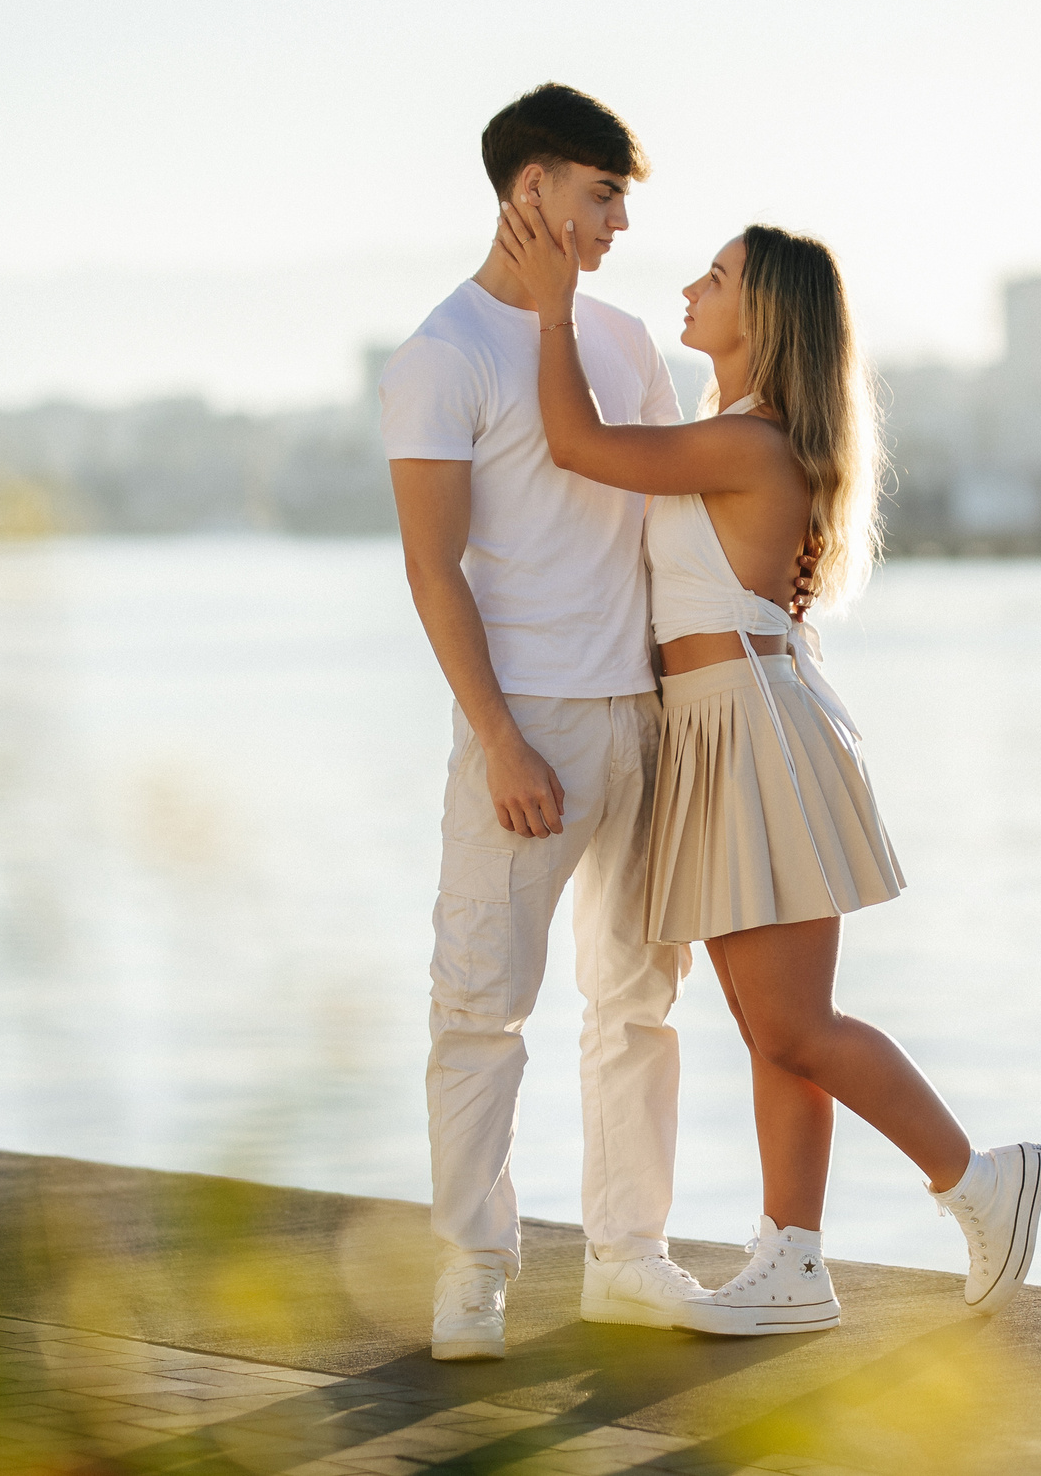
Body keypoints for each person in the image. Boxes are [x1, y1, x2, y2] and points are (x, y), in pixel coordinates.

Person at [496, 195, 1041, 1334]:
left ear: (764, 315)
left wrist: (551, 314)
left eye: (713, 277)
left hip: (750, 730)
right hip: (717, 727)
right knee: (770, 1024)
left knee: (794, 1024)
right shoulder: (740, 431)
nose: (688, 291)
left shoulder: (748, 443)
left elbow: (578, 445)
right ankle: (792, 1258)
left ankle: (980, 1181)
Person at [380, 84, 719, 1362]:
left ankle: (630, 1259)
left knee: (638, 1003)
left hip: (646, 716)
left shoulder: (629, 344)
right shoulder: (441, 355)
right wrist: (503, 738)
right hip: (525, 731)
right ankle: (473, 1268)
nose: (623, 220)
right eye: (601, 193)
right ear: (532, 190)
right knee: (481, 1007)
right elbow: (433, 569)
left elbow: (668, 518)